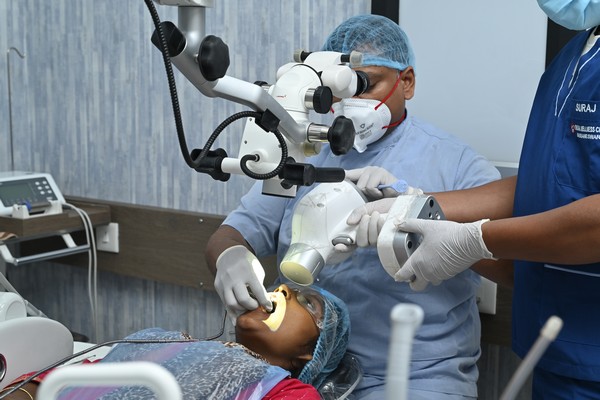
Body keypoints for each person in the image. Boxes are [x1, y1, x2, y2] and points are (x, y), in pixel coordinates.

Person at [205, 14, 500, 399]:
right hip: (303, 372)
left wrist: (416, 215)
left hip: (416, 377)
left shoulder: (457, 165)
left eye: (365, 85)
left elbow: (507, 257)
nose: (350, 103)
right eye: (337, 90)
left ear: (406, 82)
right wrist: (229, 257)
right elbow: (233, 232)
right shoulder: (304, 155)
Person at [347, 1, 600, 397]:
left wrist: (472, 241)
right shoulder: (576, 56)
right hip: (558, 342)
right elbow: (548, 182)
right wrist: (417, 202)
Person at [1, 283, 350, 400]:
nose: (283, 290)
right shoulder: (162, 342)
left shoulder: (289, 392)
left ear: (310, 354)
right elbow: (48, 385)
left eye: (306, 303)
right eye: (284, 287)